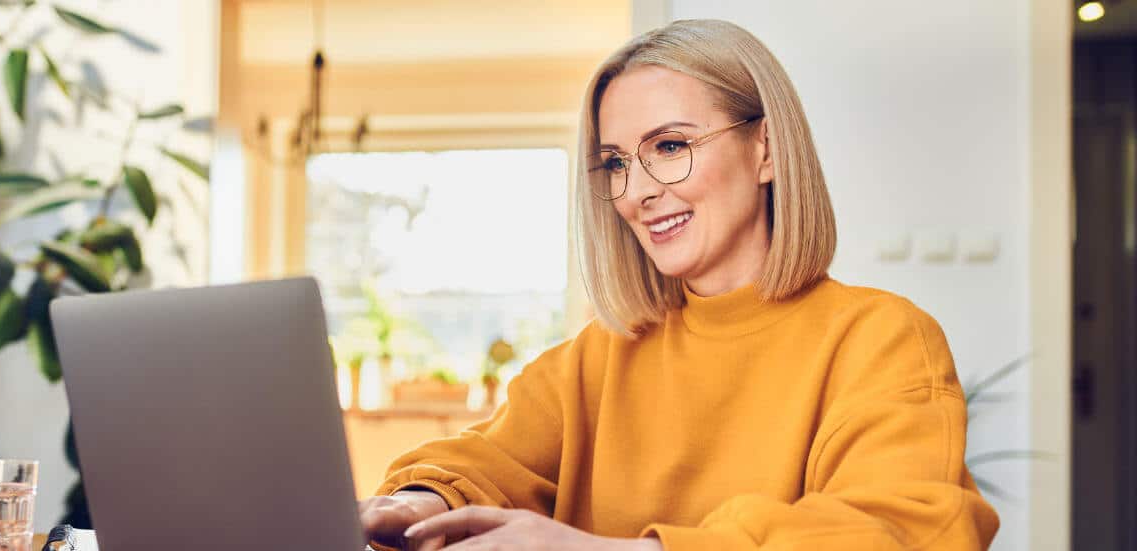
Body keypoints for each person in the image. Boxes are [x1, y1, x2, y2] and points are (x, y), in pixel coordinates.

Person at [358, 19, 1000, 551]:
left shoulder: (881, 339)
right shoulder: (600, 356)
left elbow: (899, 531)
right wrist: (417, 503)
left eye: (668, 146)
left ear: (767, 150)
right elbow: (483, 462)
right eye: (615, 162)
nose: (636, 192)